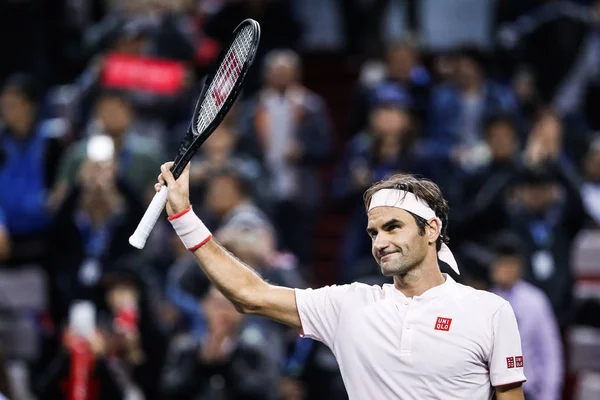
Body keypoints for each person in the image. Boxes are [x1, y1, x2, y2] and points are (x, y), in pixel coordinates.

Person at [154, 161, 527, 399]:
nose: (380, 243)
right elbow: (250, 295)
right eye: (373, 232)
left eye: (392, 227)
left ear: (431, 230)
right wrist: (184, 217)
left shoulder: (490, 312)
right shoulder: (349, 304)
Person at [488, 232, 564, 400]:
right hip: (494, 390)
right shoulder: (486, 300)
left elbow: (550, 353)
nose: (506, 269)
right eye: (501, 263)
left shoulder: (535, 301)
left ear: (520, 266)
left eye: (510, 263)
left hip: (530, 390)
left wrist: (549, 395)